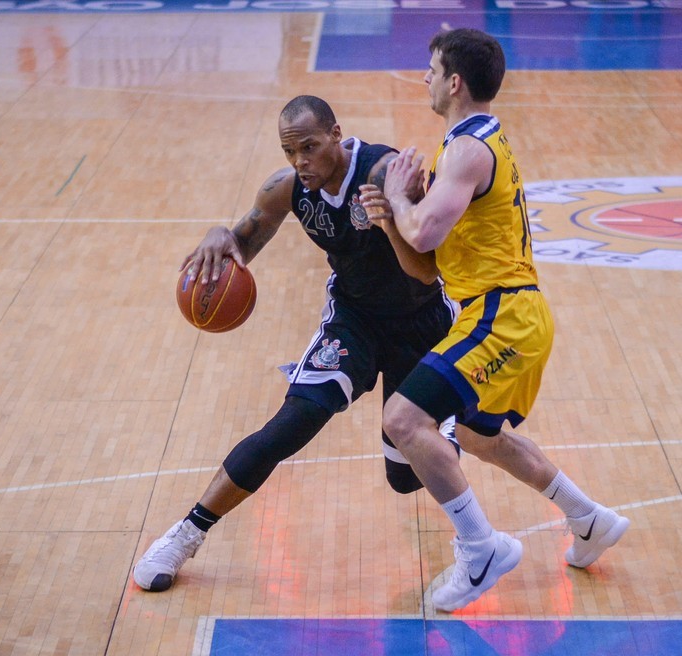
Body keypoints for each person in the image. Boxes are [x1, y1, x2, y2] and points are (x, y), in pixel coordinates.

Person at [133, 95, 460, 592]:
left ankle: (450, 446)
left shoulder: (384, 172)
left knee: (405, 477)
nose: (300, 161)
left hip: (421, 322)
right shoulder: (287, 190)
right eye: (290, 151)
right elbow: (243, 241)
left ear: (335, 134)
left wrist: (397, 212)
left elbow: (431, 264)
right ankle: (185, 534)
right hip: (354, 320)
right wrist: (222, 235)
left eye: (309, 147)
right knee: (292, 422)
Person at [357, 28, 629, 612]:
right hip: (502, 312)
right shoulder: (473, 142)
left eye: (431, 69)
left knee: (404, 421)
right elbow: (427, 269)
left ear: (455, 81)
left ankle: (480, 549)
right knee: (480, 436)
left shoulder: (467, 149)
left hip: (501, 314)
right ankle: (588, 519)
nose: (424, 78)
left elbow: (425, 230)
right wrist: (389, 216)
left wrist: (401, 199)